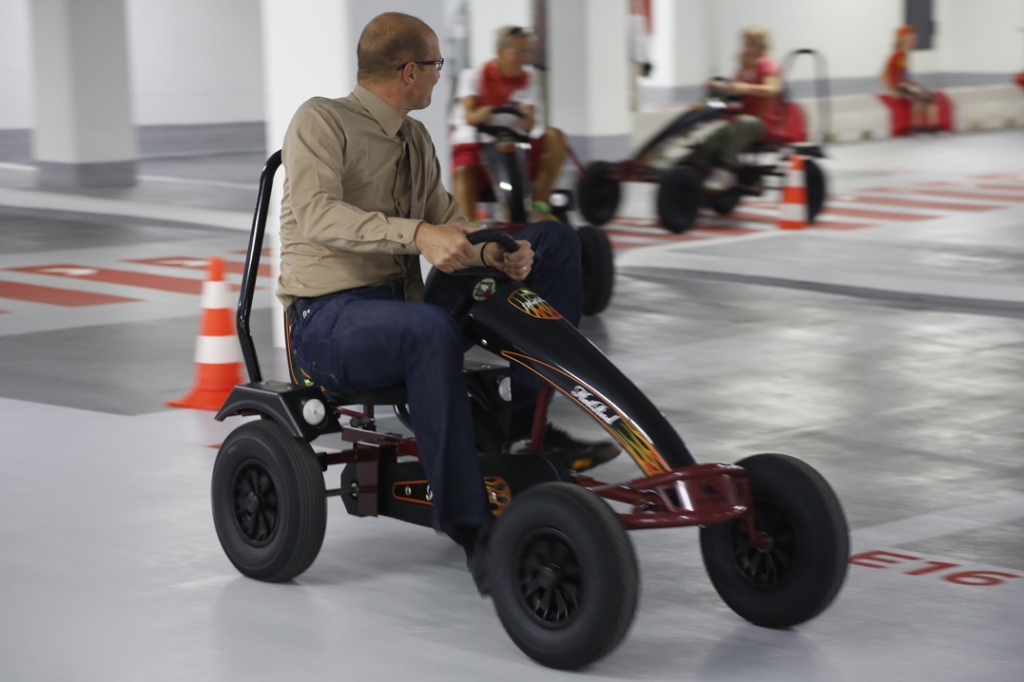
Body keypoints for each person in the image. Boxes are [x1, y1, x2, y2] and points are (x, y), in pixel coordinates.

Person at [276, 12, 617, 594]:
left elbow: (448, 223)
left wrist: (495, 256)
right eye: (436, 65)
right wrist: (416, 236)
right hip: (329, 321)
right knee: (429, 330)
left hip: (405, 306)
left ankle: (526, 428)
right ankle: (472, 531)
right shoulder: (321, 119)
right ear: (409, 71)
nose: (441, 75)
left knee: (554, 241)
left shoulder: (415, 138)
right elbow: (318, 215)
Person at [449, 25, 566, 221]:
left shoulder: (528, 78)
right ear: (500, 52)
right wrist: (480, 114)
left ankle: (539, 205)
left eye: (527, 52)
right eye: (518, 52)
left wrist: (527, 117)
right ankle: (469, 229)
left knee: (555, 136)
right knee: (463, 171)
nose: (524, 57)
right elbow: (470, 116)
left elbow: (529, 122)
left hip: (513, 144)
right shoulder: (473, 77)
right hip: (479, 144)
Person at [692, 26, 784, 193]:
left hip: (764, 122)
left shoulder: (766, 63)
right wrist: (718, 87)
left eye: (751, 44)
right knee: (716, 134)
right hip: (743, 120)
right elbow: (735, 88)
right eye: (745, 44)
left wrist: (746, 87)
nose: (747, 48)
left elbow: (773, 89)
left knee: (744, 123)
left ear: (761, 46)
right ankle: (699, 168)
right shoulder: (743, 66)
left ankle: (726, 169)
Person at [881, 25, 939, 132]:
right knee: (924, 97)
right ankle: (921, 126)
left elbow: (903, 73)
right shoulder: (897, 55)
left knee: (925, 97)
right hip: (901, 85)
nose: (914, 41)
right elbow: (885, 73)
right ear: (903, 40)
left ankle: (923, 125)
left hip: (906, 83)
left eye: (914, 39)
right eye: (911, 39)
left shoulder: (904, 54)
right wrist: (891, 90)